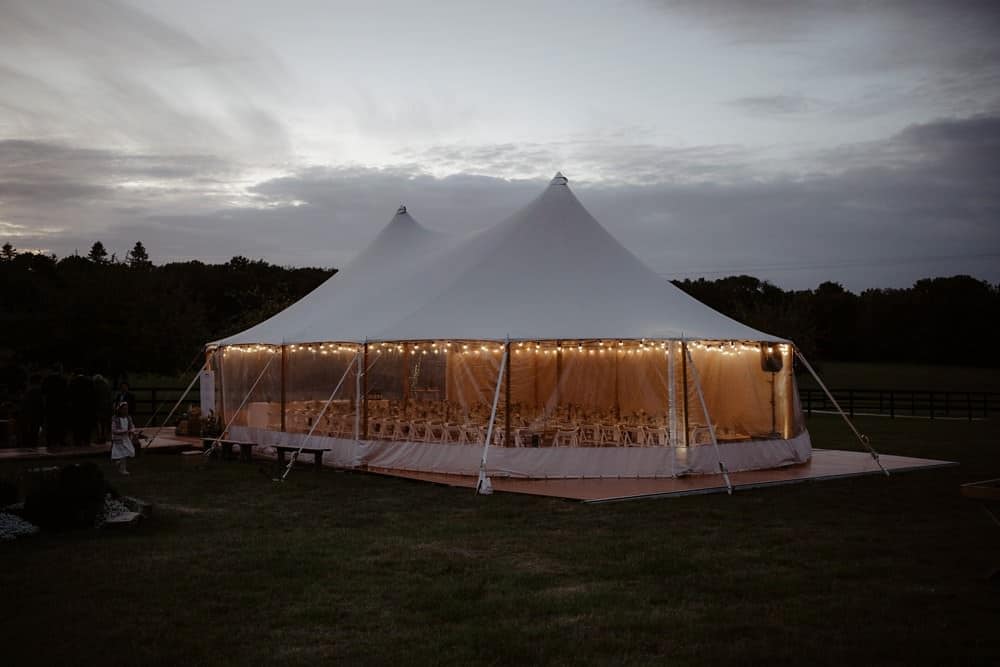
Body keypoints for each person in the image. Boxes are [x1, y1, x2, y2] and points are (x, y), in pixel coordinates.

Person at [68, 369, 95, 447]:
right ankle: (86, 440)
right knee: (86, 424)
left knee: (77, 424)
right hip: (87, 407)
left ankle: (77, 441)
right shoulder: (89, 381)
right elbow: (93, 394)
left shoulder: (73, 381)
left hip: (76, 406)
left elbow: (70, 394)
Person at [110, 401, 135, 475]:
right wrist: (124, 431)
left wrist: (132, 431)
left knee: (130, 451)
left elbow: (132, 426)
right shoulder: (115, 418)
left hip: (126, 438)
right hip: (118, 439)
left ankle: (119, 462)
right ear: (120, 410)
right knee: (123, 453)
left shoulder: (128, 417)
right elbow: (114, 430)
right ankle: (122, 469)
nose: (125, 410)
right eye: (123, 409)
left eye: (126, 409)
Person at [92, 373, 111, 443]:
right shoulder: (106, 385)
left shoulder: (95, 385)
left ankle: (99, 437)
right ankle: (104, 437)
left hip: (97, 407)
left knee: (98, 423)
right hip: (106, 407)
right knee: (104, 423)